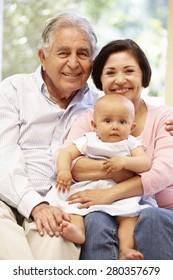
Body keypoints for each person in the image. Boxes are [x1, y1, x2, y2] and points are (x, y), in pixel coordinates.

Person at [0, 11, 99, 259]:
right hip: (6, 198)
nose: (74, 63)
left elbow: (141, 126)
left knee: (56, 249)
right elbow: (3, 156)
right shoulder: (13, 90)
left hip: (59, 206)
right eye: (64, 53)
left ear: (93, 62)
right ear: (43, 57)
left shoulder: (101, 109)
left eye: (83, 54)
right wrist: (35, 204)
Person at [62, 39, 173, 260]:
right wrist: (125, 172)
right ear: (100, 80)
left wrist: (109, 193)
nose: (120, 80)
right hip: (103, 209)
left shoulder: (165, 118)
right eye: (110, 73)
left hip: (159, 210)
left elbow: (160, 173)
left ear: (143, 76)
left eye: (129, 71)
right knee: (94, 220)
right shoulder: (90, 118)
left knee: (151, 218)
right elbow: (73, 164)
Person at [50, 93, 156, 260]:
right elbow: (66, 153)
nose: (115, 126)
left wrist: (125, 162)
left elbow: (145, 163)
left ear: (132, 126)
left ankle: (125, 249)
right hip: (89, 188)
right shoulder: (89, 139)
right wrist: (64, 170)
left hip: (119, 193)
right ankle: (78, 230)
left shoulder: (130, 143)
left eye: (122, 122)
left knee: (129, 219)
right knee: (75, 207)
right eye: (107, 121)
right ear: (94, 125)